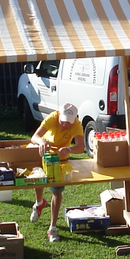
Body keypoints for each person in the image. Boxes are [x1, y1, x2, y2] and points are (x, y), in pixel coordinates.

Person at [29, 103, 85, 242]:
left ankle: (52, 228)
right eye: (63, 121)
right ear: (59, 115)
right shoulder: (52, 117)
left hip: (61, 158)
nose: (65, 124)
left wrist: (69, 149)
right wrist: (42, 142)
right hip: (45, 153)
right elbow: (34, 137)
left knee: (57, 190)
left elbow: (80, 147)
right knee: (40, 180)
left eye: (68, 122)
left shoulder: (77, 125)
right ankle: (39, 203)